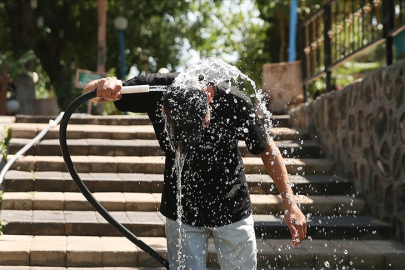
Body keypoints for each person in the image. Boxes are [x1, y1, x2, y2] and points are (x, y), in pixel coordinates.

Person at [84, 71, 307, 270]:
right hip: (181, 210)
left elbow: (267, 149)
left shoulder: (235, 101)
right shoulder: (153, 89)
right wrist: (104, 85)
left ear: (208, 101)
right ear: (163, 106)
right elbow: (89, 91)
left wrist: (291, 204)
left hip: (231, 208)